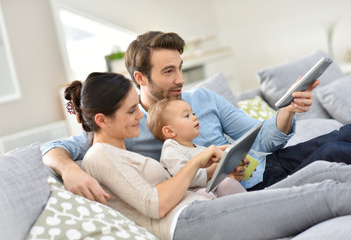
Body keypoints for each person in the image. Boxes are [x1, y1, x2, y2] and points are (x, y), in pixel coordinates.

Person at [42, 31, 351, 204]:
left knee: (344, 132)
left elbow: (264, 137)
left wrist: (287, 109)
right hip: (250, 188)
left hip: (271, 162)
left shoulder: (203, 98)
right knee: (337, 152)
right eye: (168, 71)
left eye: (180, 68)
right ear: (141, 77)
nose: (180, 79)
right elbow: (54, 148)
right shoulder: (127, 124)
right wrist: (70, 171)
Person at [65, 71, 351, 240]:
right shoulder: (98, 156)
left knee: (328, 172)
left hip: (208, 203)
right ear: (102, 120)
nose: (139, 115)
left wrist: (218, 168)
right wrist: (198, 162)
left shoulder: (119, 150)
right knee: (325, 194)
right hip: (189, 222)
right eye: (130, 111)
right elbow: (155, 205)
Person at [148, 98, 247, 198]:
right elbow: (184, 177)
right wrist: (215, 167)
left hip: (213, 191)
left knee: (228, 183)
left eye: (193, 113)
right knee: (203, 194)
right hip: (190, 197)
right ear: (169, 131)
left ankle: (253, 204)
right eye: (187, 115)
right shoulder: (170, 149)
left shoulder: (199, 148)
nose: (194, 117)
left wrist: (229, 167)